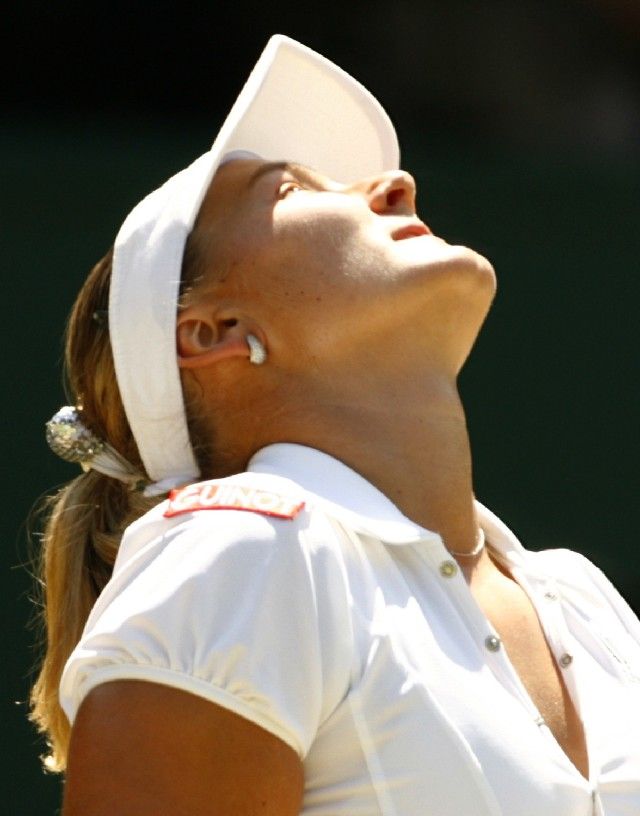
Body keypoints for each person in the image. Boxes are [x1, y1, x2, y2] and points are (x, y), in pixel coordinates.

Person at [31, 35, 640, 816]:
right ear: (212, 330)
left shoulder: (582, 602)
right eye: (292, 190)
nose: (396, 185)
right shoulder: (240, 551)